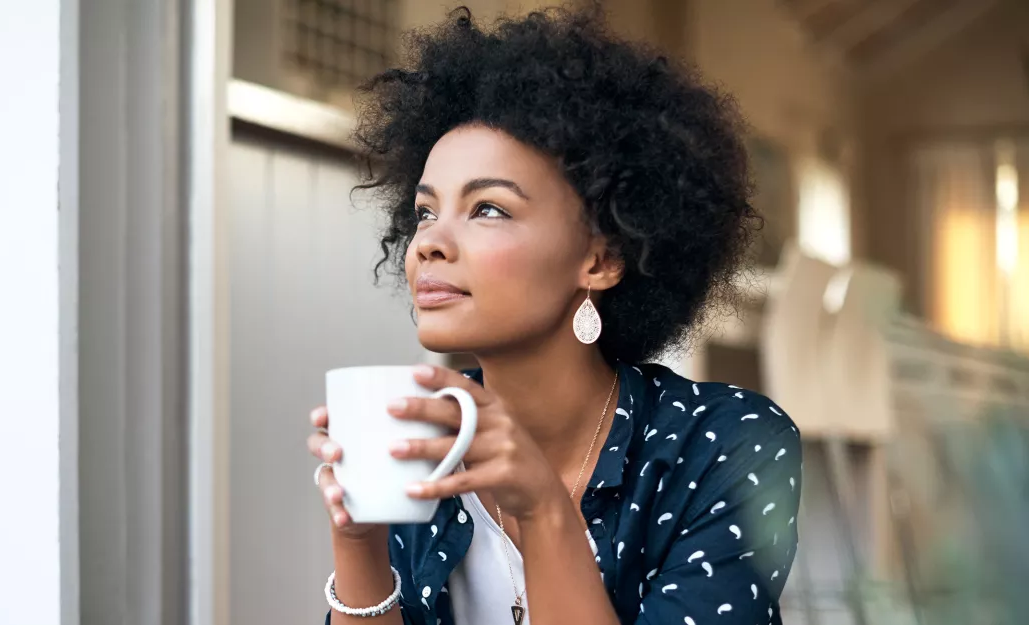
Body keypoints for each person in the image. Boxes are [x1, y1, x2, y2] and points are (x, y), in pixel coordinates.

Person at [306, 7, 803, 625]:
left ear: (600, 258)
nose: (428, 242)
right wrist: (359, 545)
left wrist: (543, 508)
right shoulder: (428, 445)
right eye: (426, 212)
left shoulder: (726, 445)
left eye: (488, 209)